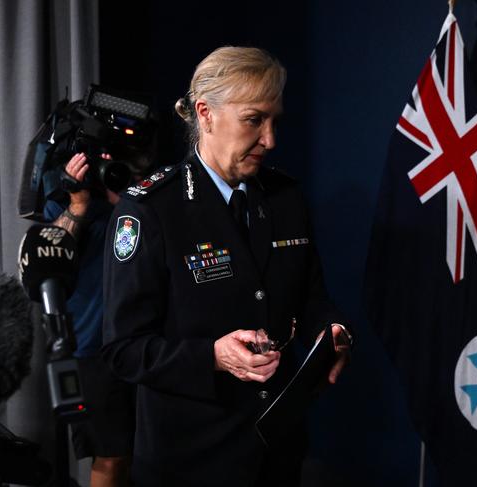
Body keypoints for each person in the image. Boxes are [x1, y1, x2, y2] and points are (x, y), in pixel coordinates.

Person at [102, 46, 352, 487]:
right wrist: (212, 358)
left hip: (275, 457)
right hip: (189, 461)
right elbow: (124, 350)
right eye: (254, 120)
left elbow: (312, 296)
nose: (270, 139)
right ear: (206, 113)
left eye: (275, 121)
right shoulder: (151, 209)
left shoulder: (285, 199)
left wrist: (330, 330)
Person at [44, 153, 135, 487]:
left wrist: (125, 197)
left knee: (145, 455)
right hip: (92, 350)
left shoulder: (141, 197)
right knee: (111, 457)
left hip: (145, 345)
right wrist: (79, 202)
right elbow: (51, 259)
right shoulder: (65, 204)